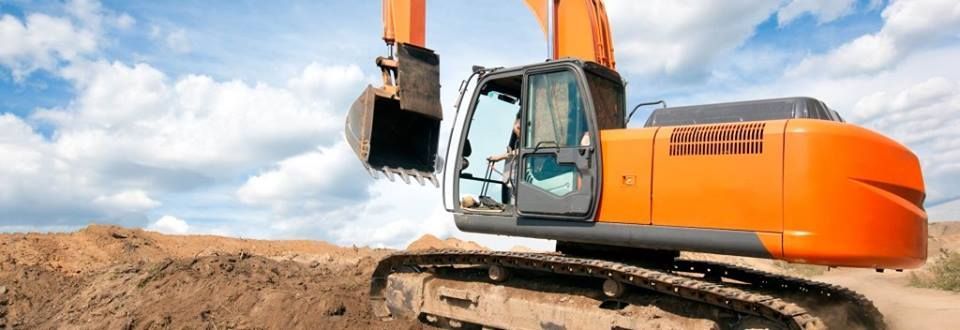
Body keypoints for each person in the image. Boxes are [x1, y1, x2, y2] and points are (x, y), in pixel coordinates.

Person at [487, 112, 521, 205]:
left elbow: (522, 151)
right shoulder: (518, 140)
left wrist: (499, 157)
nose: (515, 131)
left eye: (518, 128)